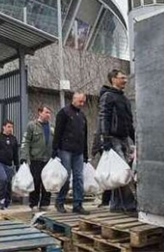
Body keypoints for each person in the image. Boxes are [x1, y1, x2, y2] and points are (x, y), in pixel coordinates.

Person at [98, 69, 137, 212]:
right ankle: (128, 204)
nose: (125, 80)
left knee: (119, 173)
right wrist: (105, 137)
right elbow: (104, 116)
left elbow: (129, 120)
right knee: (123, 171)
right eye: (122, 78)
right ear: (113, 79)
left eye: (125, 78)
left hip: (123, 138)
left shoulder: (124, 98)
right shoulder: (108, 96)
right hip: (113, 137)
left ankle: (116, 205)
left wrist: (134, 138)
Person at [53, 92, 89, 214]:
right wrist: (55, 149)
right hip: (65, 149)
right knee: (66, 176)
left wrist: (86, 153)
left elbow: (85, 135)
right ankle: (60, 202)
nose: (82, 104)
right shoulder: (64, 113)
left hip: (78, 151)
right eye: (80, 101)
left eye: (83, 101)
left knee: (79, 178)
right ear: (74, 100)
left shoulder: (82, 116)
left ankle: (78, 204)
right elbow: (58, 131)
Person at [20, 105, 53, 211]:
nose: (48, 115)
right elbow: (26, 141)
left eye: (49, 113)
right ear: (40, 112)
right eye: (46, 112)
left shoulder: (51, 128)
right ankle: (33, 203)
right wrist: (24, 156)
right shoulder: (32, 126)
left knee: (47, 182)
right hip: (36, 159)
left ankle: (45, 204)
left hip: (48, 160)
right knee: (36, 182)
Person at [0, 120, 19, 210]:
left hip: (8, 164)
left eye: (11, 127)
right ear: (3, 127)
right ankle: (0, 199)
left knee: (8, 182)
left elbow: (15, 153)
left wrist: (17, 165)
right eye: (9, 127)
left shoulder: (13, 139)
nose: (10, 129)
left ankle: (7, 201)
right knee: (3, 178)